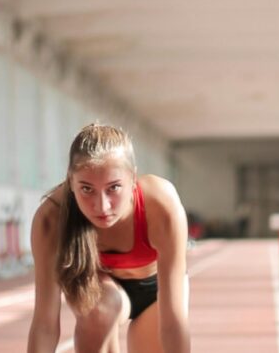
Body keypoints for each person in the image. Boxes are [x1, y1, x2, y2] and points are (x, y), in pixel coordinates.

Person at [28, 124, 190, 353]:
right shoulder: (51, 219)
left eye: (113, 188)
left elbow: (174, 324)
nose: (101, 206)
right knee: (99, 309)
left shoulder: (161, 206)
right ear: (71, 182)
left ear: (133, 179)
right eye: (87, 189)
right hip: (100, 293)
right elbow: (44, 325)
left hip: (157, 292)